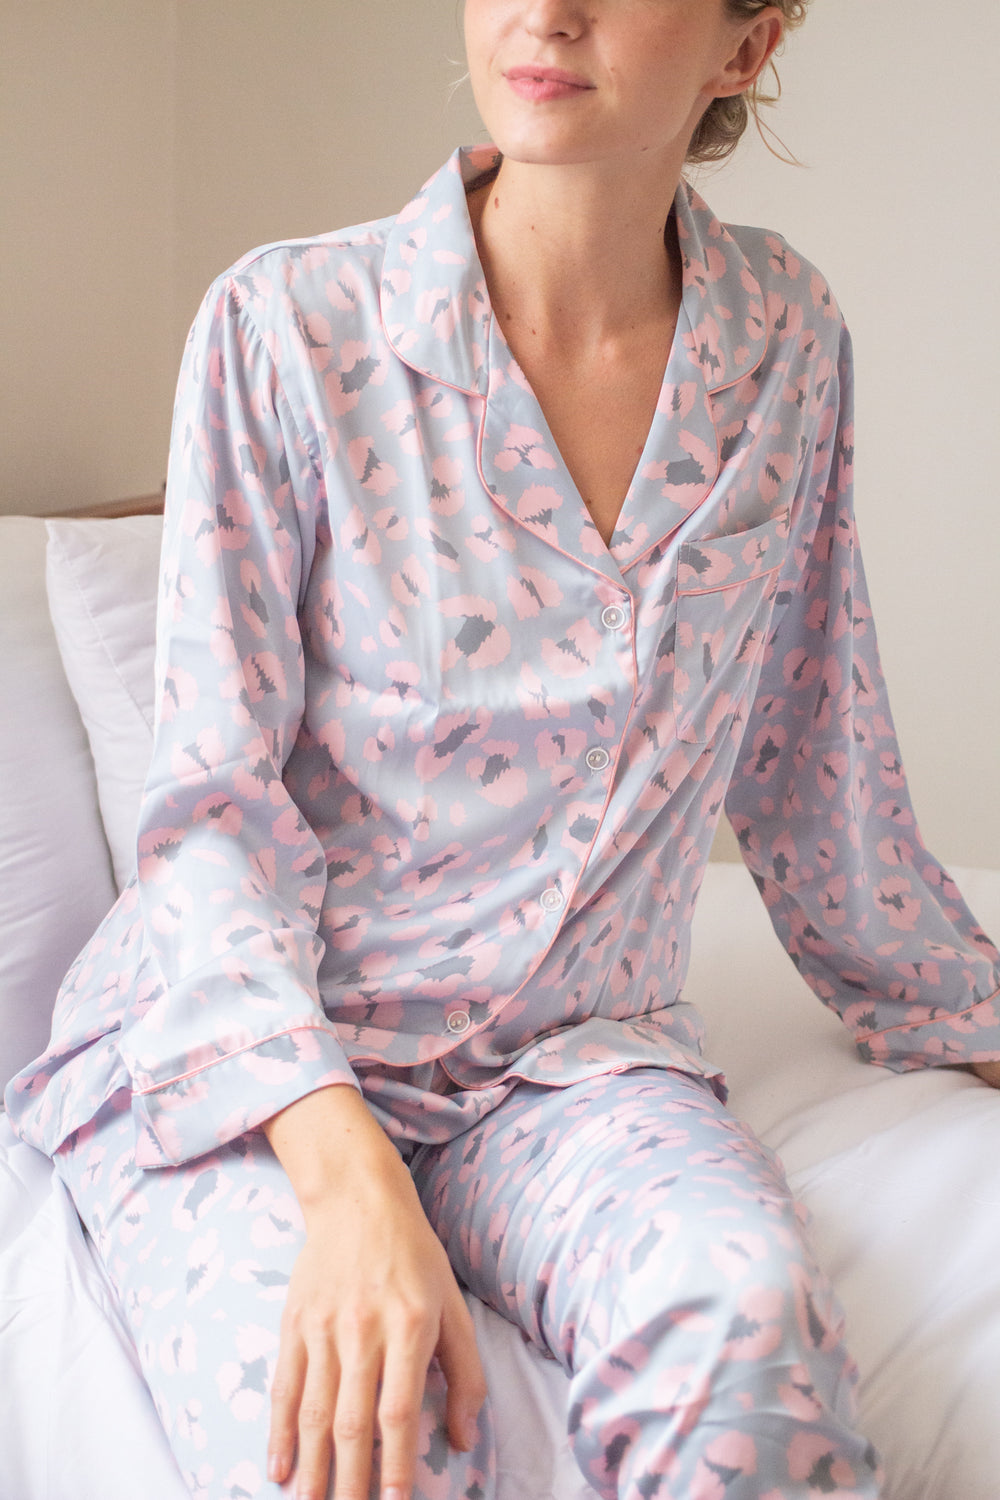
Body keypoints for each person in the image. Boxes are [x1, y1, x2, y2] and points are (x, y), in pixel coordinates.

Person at [7, 2, 1000, 1497]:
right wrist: (345, 1184)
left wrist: (966, 1011)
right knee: (357, 1450)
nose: (548, 7)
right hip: (256, 1064)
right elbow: (213, 816)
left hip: (575, 1067)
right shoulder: (288, 329)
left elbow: (815, 750)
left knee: (747, 1332)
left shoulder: (784, 339)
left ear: (746, 46)